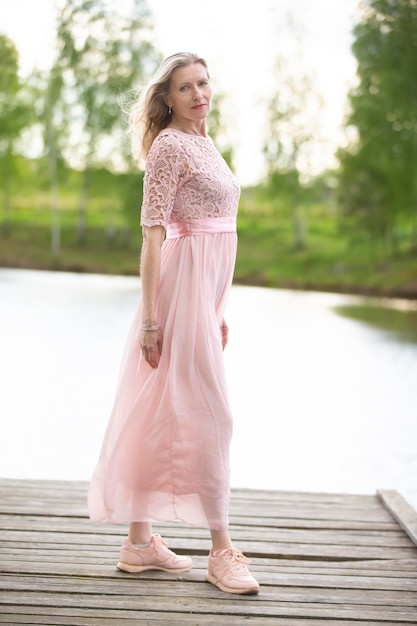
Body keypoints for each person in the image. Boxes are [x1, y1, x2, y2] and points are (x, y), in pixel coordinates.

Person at [88, 52, 259, 595]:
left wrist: (218, 310)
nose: (198, 94)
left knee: (163, 407)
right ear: (167, 99)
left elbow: (217, 233)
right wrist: (151, 320)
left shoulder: (206, 144)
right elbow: (156, 234)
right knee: (214, 414)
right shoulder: (169, 146)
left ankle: (140, 544)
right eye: (185, 88)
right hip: (176, 296)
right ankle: (220, 552)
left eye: (204, 83)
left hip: (203, 301)